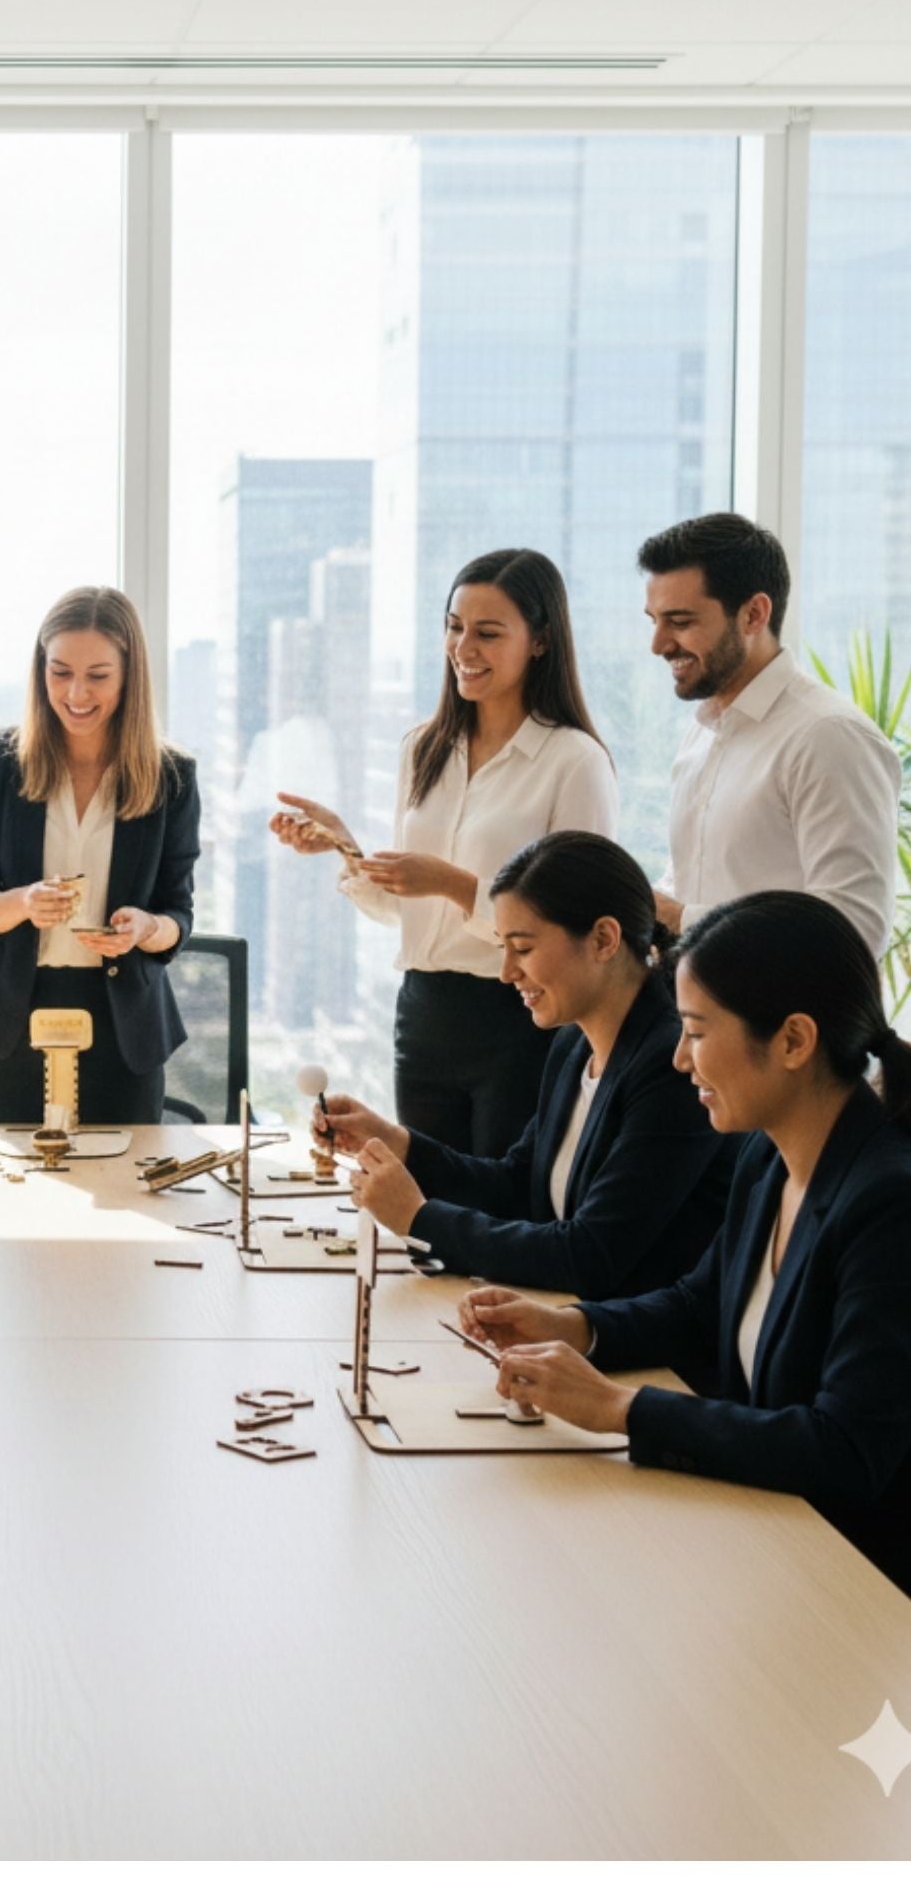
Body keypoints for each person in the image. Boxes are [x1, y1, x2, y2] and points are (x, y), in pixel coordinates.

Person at [459, 891, 911, 1594]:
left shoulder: (889, 1201)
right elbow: (700, 1306)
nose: (677, 1059)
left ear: (794, 1041)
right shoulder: (768, 1154)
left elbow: (847, 1449)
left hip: (850, 1588)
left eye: (696, 1031)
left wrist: (620, 1409)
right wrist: (574, 1326)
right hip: (760, 1537)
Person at [272, 548, 617, 1155]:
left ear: (540, 641)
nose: (464, 648)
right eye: (454, 627)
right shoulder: (423, 747)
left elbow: (578, 927)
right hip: (424, 1013)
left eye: (487, 633)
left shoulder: (574, 761)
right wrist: (343, 845)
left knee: (498, 1213)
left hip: (520, 1017)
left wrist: (453, 884)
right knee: (429, 1212)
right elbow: (411, 911)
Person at [321, 831, 732, 1301]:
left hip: (645, 1354)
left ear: (603, 939)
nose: (507, 972)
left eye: (523, 948)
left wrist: (418, 1219)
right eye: (503, 948)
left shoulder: (672, 1065)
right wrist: (398, 1144)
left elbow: (590, 1254)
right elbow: (518, 1185)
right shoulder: (573, 1043)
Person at [0, 586, 199, 1124]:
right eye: (60, 672)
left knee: (120, 1195)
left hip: (121, 1025)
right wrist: (24, 903)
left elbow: (179, 913)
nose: (76, 693)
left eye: (98, 676)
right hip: (7, 1024)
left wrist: (145, 929)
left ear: (130, 675)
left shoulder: (172, 777)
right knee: (2, 1191)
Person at [641, 512, 901, 958]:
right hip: (700, 1018)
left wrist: (680, 916)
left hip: (789, 1025)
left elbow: (854, 929)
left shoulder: (829, 737)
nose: (659, 644)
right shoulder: (702, 733)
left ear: (754, 614)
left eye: (680, 622)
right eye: (654, 621)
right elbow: (692, 879)